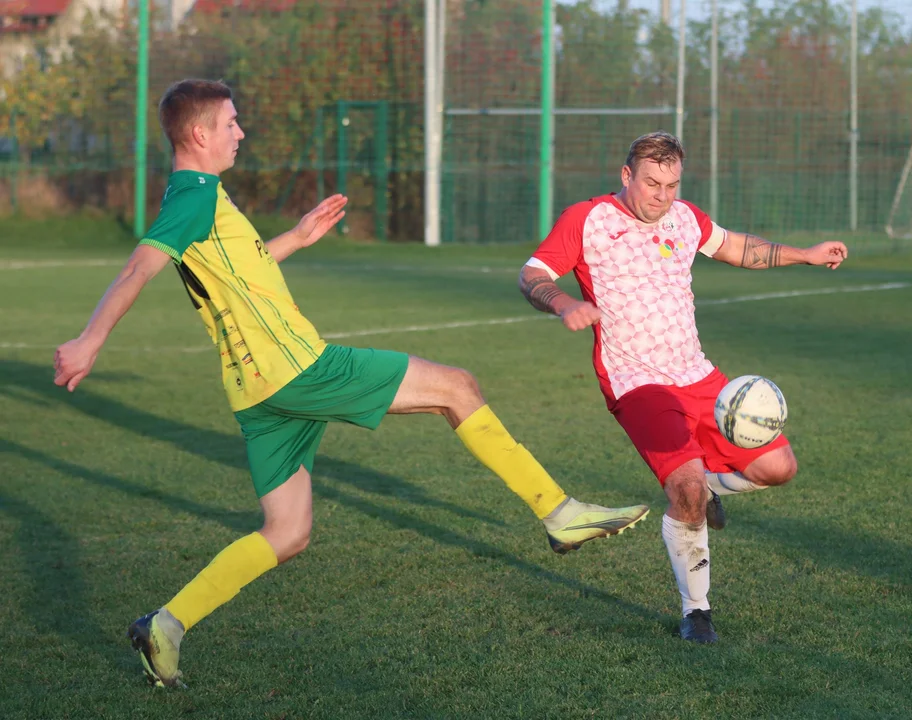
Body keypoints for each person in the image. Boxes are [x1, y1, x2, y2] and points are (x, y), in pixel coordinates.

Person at [53, 79, 649, 687]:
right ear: (200, 134)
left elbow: (233, 271)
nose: (241, 132)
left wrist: (297, 237)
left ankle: (166, 624)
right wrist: (89, 340)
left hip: (256, 391)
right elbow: (139, 266)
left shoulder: (200, 195)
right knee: (457, 386)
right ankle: (558, 511)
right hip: (298, 369)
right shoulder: (194, 197)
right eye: (231, 122)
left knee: (287, 532)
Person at [517, 131, 847, 644]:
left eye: (671, 184)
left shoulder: (684, 216)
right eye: (652, 183)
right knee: (686, 489)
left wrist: (804, 254)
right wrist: (565, 304)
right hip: (637, 382)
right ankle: (697, 611)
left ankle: (711, 487)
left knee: (778, 468)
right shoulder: (589, 220)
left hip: (698, 375)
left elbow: (736, 247)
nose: (662, 195)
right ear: (627, 176)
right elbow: (532, 273)